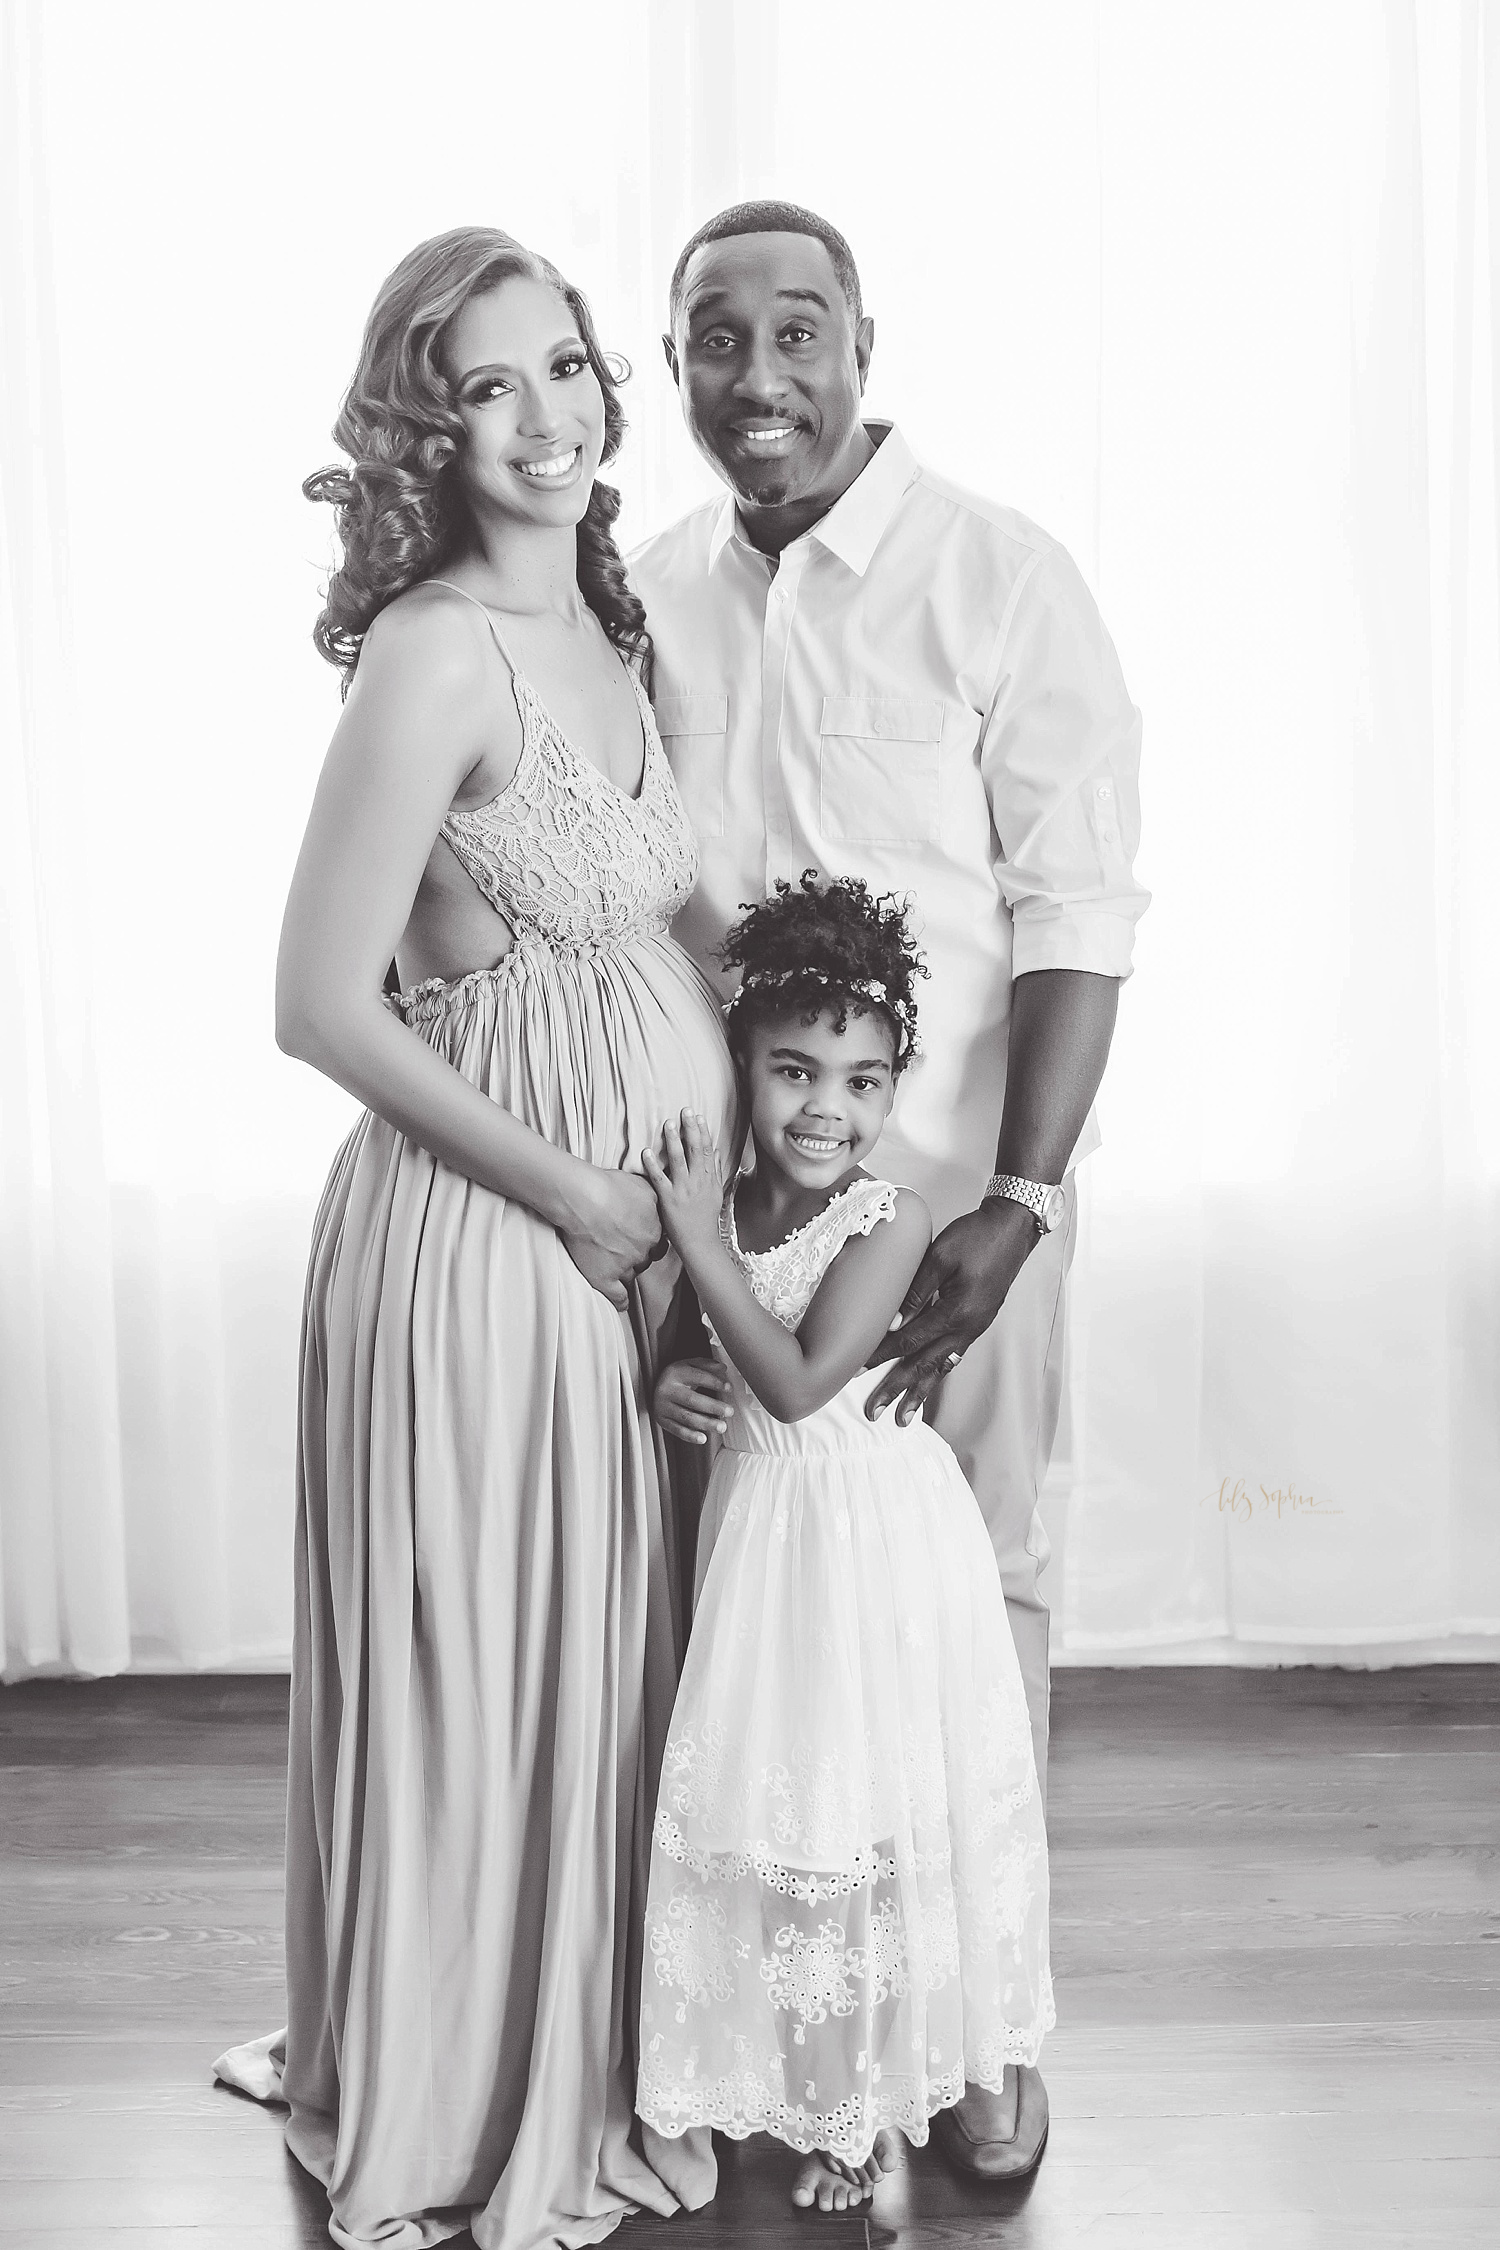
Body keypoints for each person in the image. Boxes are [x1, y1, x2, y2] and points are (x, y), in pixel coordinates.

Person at [214, 227, 732, 2250]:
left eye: (570, 369)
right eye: (490, 387)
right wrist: (586, 1190)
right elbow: (320, 1005)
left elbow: (649, 914)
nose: (546, 416)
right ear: (431, 428)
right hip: (485, 1241)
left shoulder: (616, 631)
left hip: (627, 1241)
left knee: (589, 1676)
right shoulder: (434, 651)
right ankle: (462, 2079)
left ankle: (574, 2031)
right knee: (495, 1673)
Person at [630, 198, 1148, 2180]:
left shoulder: (999, 579)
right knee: (761, 1619)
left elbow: (1078, 909)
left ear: (864, 338)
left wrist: (1017, 1197)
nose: (754, 376)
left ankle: (987, 2035)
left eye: (794, 331)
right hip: (734, 1209)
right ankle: (778, 2023)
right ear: (671, 366)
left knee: (976, 1599)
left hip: (953, 1230)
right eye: (709, 338)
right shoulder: (653, 592)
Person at [634, 874, 1054, 2214]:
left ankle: (869, 2111)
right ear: (744, 1063)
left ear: (896, 1088)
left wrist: (695, 1243)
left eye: (865, 1080)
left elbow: (807, 1379)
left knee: (867, 1821)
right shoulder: (731, 1207)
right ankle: (807, 2081)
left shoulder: (891, 1219)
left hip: (870, 1546)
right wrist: (670, 1380)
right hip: (764, 1543)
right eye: (796, 1070)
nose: (829, 1106)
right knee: (788, 1824)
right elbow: (716, 1359)